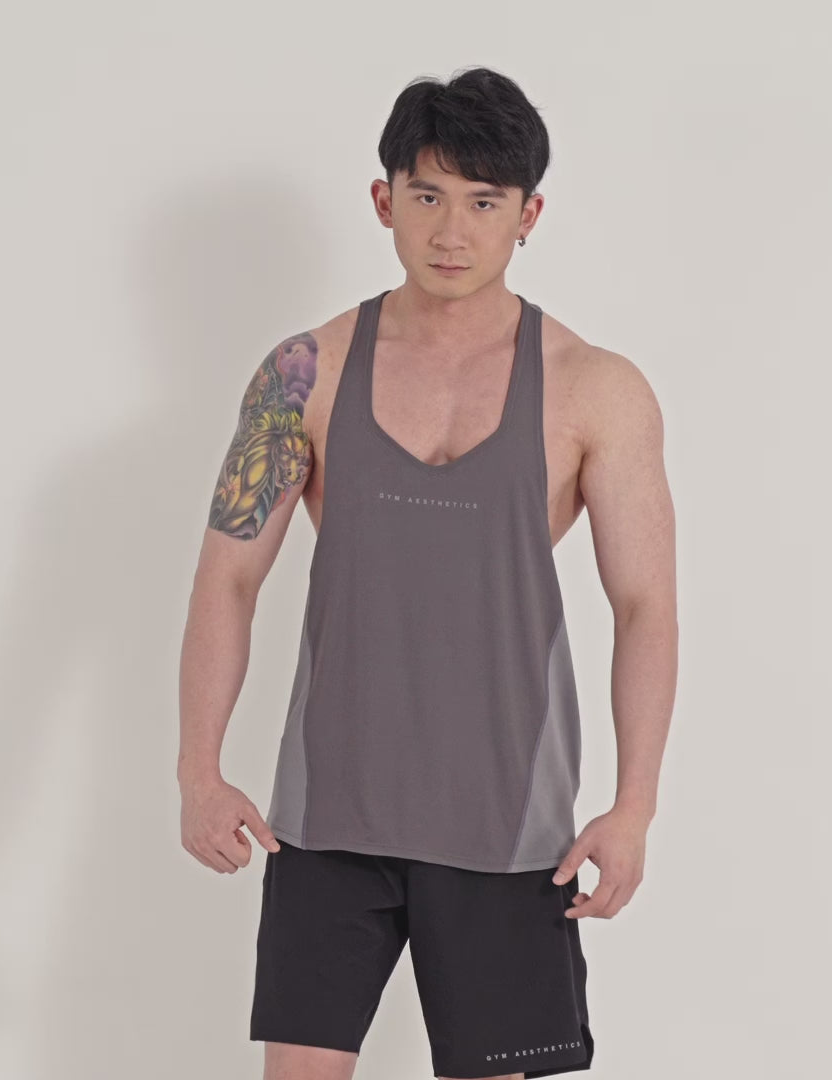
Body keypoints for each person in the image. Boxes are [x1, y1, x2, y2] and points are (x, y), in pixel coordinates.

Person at [177, 65, 678, 1080]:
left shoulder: (595, 388)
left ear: (528, 215)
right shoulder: (304, 373)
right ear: (384, 200)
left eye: (485, 203)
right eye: (428, 196)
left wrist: (635, 806)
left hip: (510, 829)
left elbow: (645, 607)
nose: (453, 231)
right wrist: (199, 769)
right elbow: (228, 578)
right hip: (327, 821)